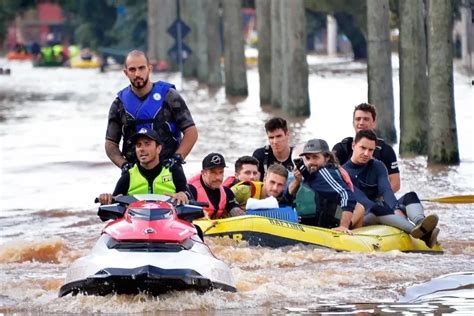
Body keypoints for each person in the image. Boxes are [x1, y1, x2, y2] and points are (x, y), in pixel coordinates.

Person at [105, 50, 198, 174]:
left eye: (141, 68)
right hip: (134, 173)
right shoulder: (119, 104)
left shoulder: (170, 96)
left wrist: (177, 158)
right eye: (132, 69)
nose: (137, 73)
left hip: (169, 170)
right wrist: (124, 165)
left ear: (149, 69)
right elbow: (110, 144)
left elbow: (191, 132)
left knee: (185, 194)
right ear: (126, 72)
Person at [343, 129, 439, 248]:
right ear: (353, 145)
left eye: (371, 150)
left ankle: (421, 223)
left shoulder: (377, 166)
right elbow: (364, 201)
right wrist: (392, 211)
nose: (367, 153)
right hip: (363, 214)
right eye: (363, 148)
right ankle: (422, 234)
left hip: (382, 209)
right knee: (377, 208)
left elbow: (386, 190)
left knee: (410, 196)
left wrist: (395, 208)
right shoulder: (343, 172)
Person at [288, 139, 363, 234]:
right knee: (360, 208)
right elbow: (287, 196)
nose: (311, 162)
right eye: (307, 158)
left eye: (315, 157)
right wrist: (297, 180)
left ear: (327, 157)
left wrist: (343, 226)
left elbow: (347, 195)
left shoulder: (325, 173)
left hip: (324, 229)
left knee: (360, 208)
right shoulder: (307, 174)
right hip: (306, 227)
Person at [98, 128, 190, 205]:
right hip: (137, 224)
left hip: (166, 222)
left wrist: (183, 195)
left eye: (147, 144)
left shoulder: (172, 170)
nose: (142, 149)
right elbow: (105, 215)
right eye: (138, 145)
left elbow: (192, 202)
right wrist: (105, 200)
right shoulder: (129, 174)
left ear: (158, 149)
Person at [332, 103, 400, 193]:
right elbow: (330, 179)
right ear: (353, 123)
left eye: (366, 119)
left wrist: (377, 200)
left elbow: (395, 183)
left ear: (374, 123)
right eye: (358, 119)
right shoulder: (341, 148)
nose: (361, 123)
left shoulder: (385, 150)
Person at [188, 153, 245, 219]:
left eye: (221, 172)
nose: (218, 177)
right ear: (203, 173)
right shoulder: (191, 190)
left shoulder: (227, 192)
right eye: (213, 173)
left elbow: (236, 211)